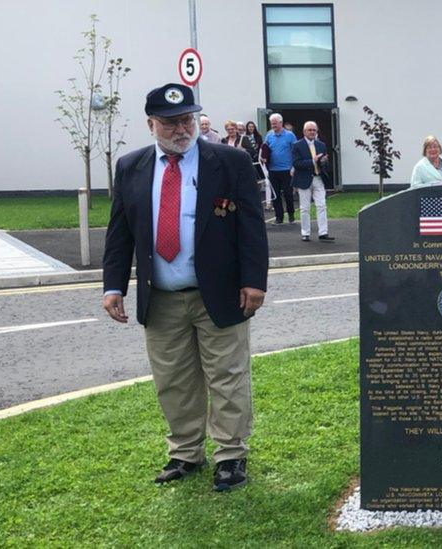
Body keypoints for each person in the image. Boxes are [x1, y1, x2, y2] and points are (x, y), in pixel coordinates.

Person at [101, 83, 268, 492]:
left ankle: (230, 455)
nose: (182, 128)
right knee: (173, 379)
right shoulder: (130, 167)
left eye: (187, 119)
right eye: (171, 122)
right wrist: (113, 286)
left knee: (227, 376)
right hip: (161, 298)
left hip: (221, 293)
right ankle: (185, 453)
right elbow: (120, 233)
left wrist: (254, 281)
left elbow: (250, 226)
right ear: (150, 124)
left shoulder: (229, 161)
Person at [291, 121, 335, 242]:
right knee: (305, 208)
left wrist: (324, 161)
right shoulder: (297, 145)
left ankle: (323, 232)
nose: (312, 132)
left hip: (318, 178)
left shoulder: (321, 145)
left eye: (314, 130)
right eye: (309, 130)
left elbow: (325, 163)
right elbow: (296, 163)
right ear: (304, 132)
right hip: (304, 179)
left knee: (321, 205)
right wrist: (313, 161)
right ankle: (305, 233)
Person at [264, 113, 298, 224]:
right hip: (273, 170)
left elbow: (295, 152)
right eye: (271, 124)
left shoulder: (290, 135)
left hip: (287, 170)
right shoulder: (269, 135)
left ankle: (291, 214)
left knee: (288, 193)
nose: (273, 126)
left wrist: (293, 166)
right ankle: (279, 217)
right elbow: (265, 150)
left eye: (275, 123)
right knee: (276, 195)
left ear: (280, 123)